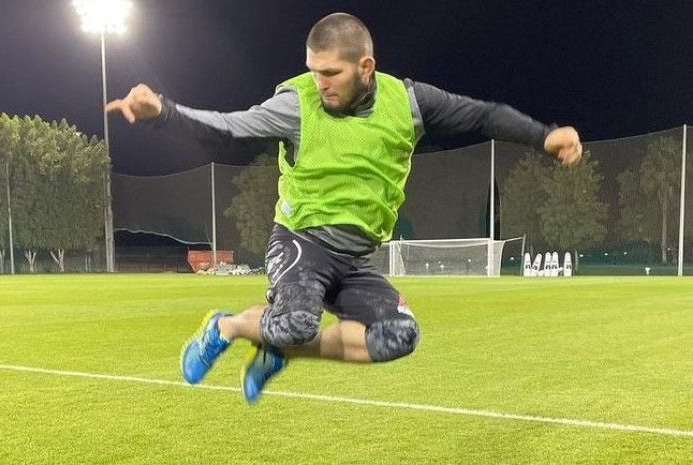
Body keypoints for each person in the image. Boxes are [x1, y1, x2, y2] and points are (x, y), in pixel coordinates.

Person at [106, 12, 582, 404]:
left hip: (354, 259)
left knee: (399, 335)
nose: (321, 83)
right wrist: (163, 113)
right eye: (314, 70)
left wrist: (544, 136)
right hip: (300, 241)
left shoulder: (410, 102)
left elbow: (482, 114)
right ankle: (224, 326)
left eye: (330, 73)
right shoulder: (297, 104)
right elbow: (229, 128)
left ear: (366, 66)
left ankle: (281, 351)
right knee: (295, 322)